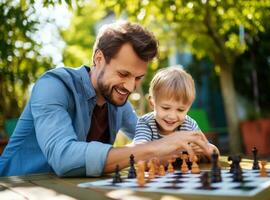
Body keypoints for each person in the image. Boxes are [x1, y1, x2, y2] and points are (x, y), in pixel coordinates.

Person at [0, 21, 214, 177]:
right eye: (123, 74)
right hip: (16, 188)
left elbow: (153, 134)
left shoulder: (118, 101)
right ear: (99, 58)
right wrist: (157, 148)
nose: (130, 87)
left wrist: (198, 148)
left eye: (138, 78)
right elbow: (63, 158)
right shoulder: (52, 86)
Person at [133, 67, 218, 157]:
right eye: (166, 108)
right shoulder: (146, 123)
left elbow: (210, 151)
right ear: (152, 103)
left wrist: (209, 150)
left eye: (180, 110)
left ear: (188, 108)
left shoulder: (189, 124)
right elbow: (139, 153)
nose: (172, 116)